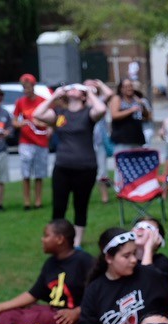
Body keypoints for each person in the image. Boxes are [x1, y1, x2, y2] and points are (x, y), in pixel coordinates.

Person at [0, 219, 93, 324]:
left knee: (37, 318)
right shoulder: (50, 263)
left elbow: (99, 294)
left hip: (73, 317)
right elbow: (34, 294)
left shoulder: (85, 261)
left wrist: (77, 312)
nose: (42, 239)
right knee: (8, 315)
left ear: (60, 239)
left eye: (46, 236)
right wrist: (0, 307)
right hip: (53, 312)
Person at [35, 80, 110, 249]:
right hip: (62, 167)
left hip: (86, 168)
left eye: (77, 89)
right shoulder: (60, 114)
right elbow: (38, 114)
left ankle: (76, 243)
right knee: (59, 206)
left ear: (83, 96)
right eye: (72, 88)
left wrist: (89, 91)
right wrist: (54, 96)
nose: (73, 89)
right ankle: (56, 239)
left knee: (80, 205)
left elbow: (102, 109)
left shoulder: (89, 113)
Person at [12, 73, 50, 211]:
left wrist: (41, 123)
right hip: (25, 141)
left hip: (41, 141)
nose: (25, 90)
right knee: (26, 173)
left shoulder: (43, 101)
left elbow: (51, 120)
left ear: (33, 86)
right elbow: (14, 122)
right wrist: (22, 123)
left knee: (39, 174)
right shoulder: (20, 102)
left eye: (27, 87)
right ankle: (27, 201)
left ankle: (38, 200)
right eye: (24, 88)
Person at [108, 78, 150, 154]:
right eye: (126, 86)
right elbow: (114, 115)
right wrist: (131, 110)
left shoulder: (136, 98)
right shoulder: (117, 98)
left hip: (137, 138)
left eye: (131, 86)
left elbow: (147, 116)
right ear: (121, 88)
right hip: (122, 139)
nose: (129, 88)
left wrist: (142, 105)